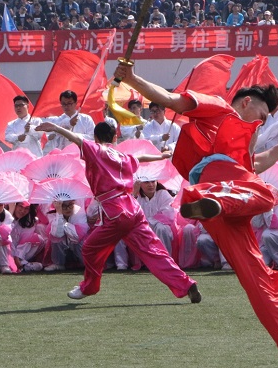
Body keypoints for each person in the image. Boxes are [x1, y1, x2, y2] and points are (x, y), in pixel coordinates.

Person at [112, 65, 278, 368]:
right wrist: (131, 80)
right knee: (268, 194)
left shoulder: (243, 141)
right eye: (261, 116)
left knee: (257, 278)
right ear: (246, 102)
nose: (260, 125)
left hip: (226, 203)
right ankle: (213, 200)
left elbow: (255, 165)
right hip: (216, 180)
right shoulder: (219, 108)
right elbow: (171, 100)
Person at [36, 120, 201, 304]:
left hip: (115, 211)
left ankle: (89, 287)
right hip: (133, 209)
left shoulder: (97, 150)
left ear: (96, 138)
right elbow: (140, 158)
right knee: (154, 251)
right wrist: (160, 157)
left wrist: (57, 128)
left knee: (90, 248)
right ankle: (186, 284)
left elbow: (79, 140)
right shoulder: (122, 156)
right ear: (115, 137)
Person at [44, 199, 88, 272]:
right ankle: (58, 264)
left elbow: (76, 237)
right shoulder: (52, 213)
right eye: (64, 206)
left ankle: (85, 263)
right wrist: (59, 214)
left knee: (80, 241)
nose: (68, 209)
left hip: (77, 246)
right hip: (63, 250)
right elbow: (57, 234)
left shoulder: (78, 211)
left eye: (70, 205)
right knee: (55, 238)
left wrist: (64, 224)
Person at [11, 202, 46, 272]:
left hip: (18, 252)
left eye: (26, 208)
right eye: (20, 206)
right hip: (4, 250)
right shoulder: (5, 216)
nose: (22, 211)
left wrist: (17, 256)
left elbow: (25, 240)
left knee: (37, 238)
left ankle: (21, 263)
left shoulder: (29, 221)